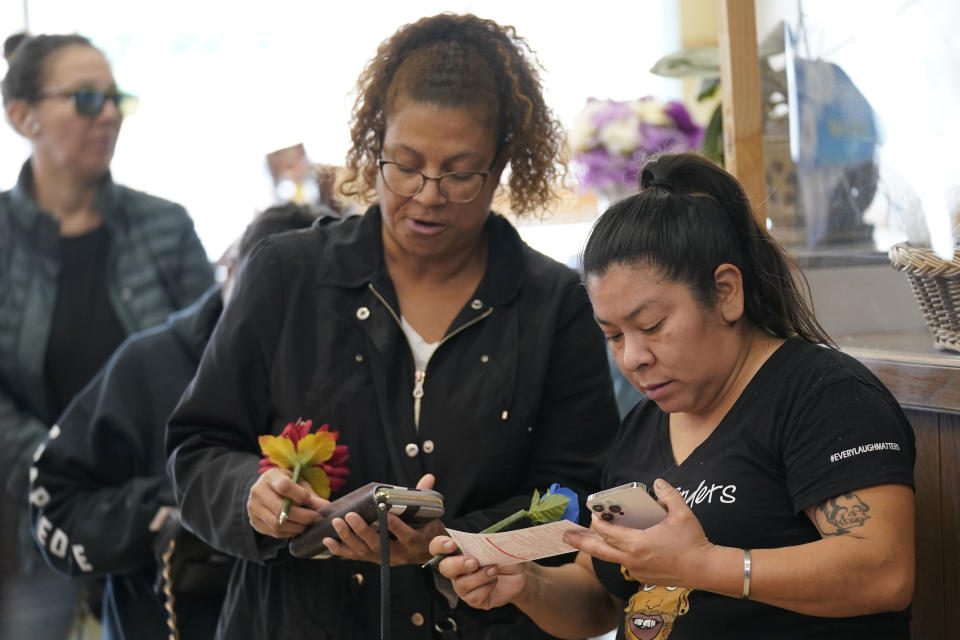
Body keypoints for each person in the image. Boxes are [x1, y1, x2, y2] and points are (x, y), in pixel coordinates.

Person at [166, 13, 619, 640]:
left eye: (459, 172)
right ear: (372, 144)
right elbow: (198, 450)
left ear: (502, 164)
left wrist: (457, 542)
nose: (427, 194)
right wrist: (251, 493)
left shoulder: (551, 304)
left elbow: (576, 498)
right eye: (404, 164)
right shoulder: (288, 275)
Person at [431, 152, 916, 639]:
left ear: (726, 292)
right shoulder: (642, 425)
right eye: (614, 336)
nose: (632, 358)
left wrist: (705, 565)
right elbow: (599, 598)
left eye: (651, 326)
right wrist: (526, 584)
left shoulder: (822, 395)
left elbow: (883, 572)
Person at [0, 32, 214, 638]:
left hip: (157, 510)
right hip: (32, 520)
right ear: (24, 117)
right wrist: (65, 468)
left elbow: (213, 361)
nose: (111, 114)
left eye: (116, 97)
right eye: (87, 99)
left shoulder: (164, 226)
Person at [29, 203, 318, 640]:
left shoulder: (343, 368)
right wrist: (176, 505)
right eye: (258, 294)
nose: (265, 321)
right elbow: (55, 503)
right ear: (229, 271)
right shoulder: (147, 364)